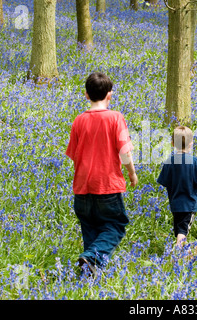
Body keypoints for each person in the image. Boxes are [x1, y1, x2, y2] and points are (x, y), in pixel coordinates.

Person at [65, 72, 138, 277]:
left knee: (90, 229)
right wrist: (131, 173)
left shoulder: (78, 121)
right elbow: (125, 151)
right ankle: (92, 259)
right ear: (110, 95)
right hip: (107, 185)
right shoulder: (116, 118)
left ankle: (88, 274)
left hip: (82, 187)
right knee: (115, 225)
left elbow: (74, 155)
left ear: (86, 95)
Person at [157, 126, 197, 248]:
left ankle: (180, 250)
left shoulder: (169, 161)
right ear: (191, 144)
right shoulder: (194, 161)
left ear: (173, 143)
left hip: (174, 203)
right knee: (182, 231)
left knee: (179, 229)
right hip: (189, 204)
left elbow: (164, 181)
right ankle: (179, 252)